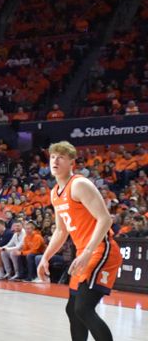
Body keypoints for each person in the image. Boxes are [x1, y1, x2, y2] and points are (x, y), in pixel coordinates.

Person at [38, 141, 123, 341]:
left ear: (71, 163)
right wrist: (45, 257)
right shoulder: (55, 193)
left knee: (83, 308)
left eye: (60, 157)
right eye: (52, 157)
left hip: (102, 250)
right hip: (84, 252)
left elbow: (105, 219)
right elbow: (60, 230)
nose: (55, 161)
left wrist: (86, 252)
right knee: (72, 310)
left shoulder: (79, 184)